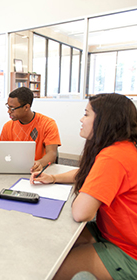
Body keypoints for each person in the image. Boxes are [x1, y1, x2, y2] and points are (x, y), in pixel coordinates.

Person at [30, 93, 137, 280]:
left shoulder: (113, 157)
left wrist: (83, 193)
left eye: (86, 114)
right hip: (113, 233)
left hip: (128, 251)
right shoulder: (123, 148)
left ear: (105, 120)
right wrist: (53, 178)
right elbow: (89, 173)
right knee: (55, 244)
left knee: (48, 268)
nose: (81, 119)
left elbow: (81, 212)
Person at [0, 86, 61, 172]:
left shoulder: (48, 124)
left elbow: (52, 154)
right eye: (8, 107)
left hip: (39, 171)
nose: (9, 111)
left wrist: (39, 163)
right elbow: (2, 152)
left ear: (26, 107)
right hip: (14, 169)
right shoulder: (7, 126)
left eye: (12, 108)